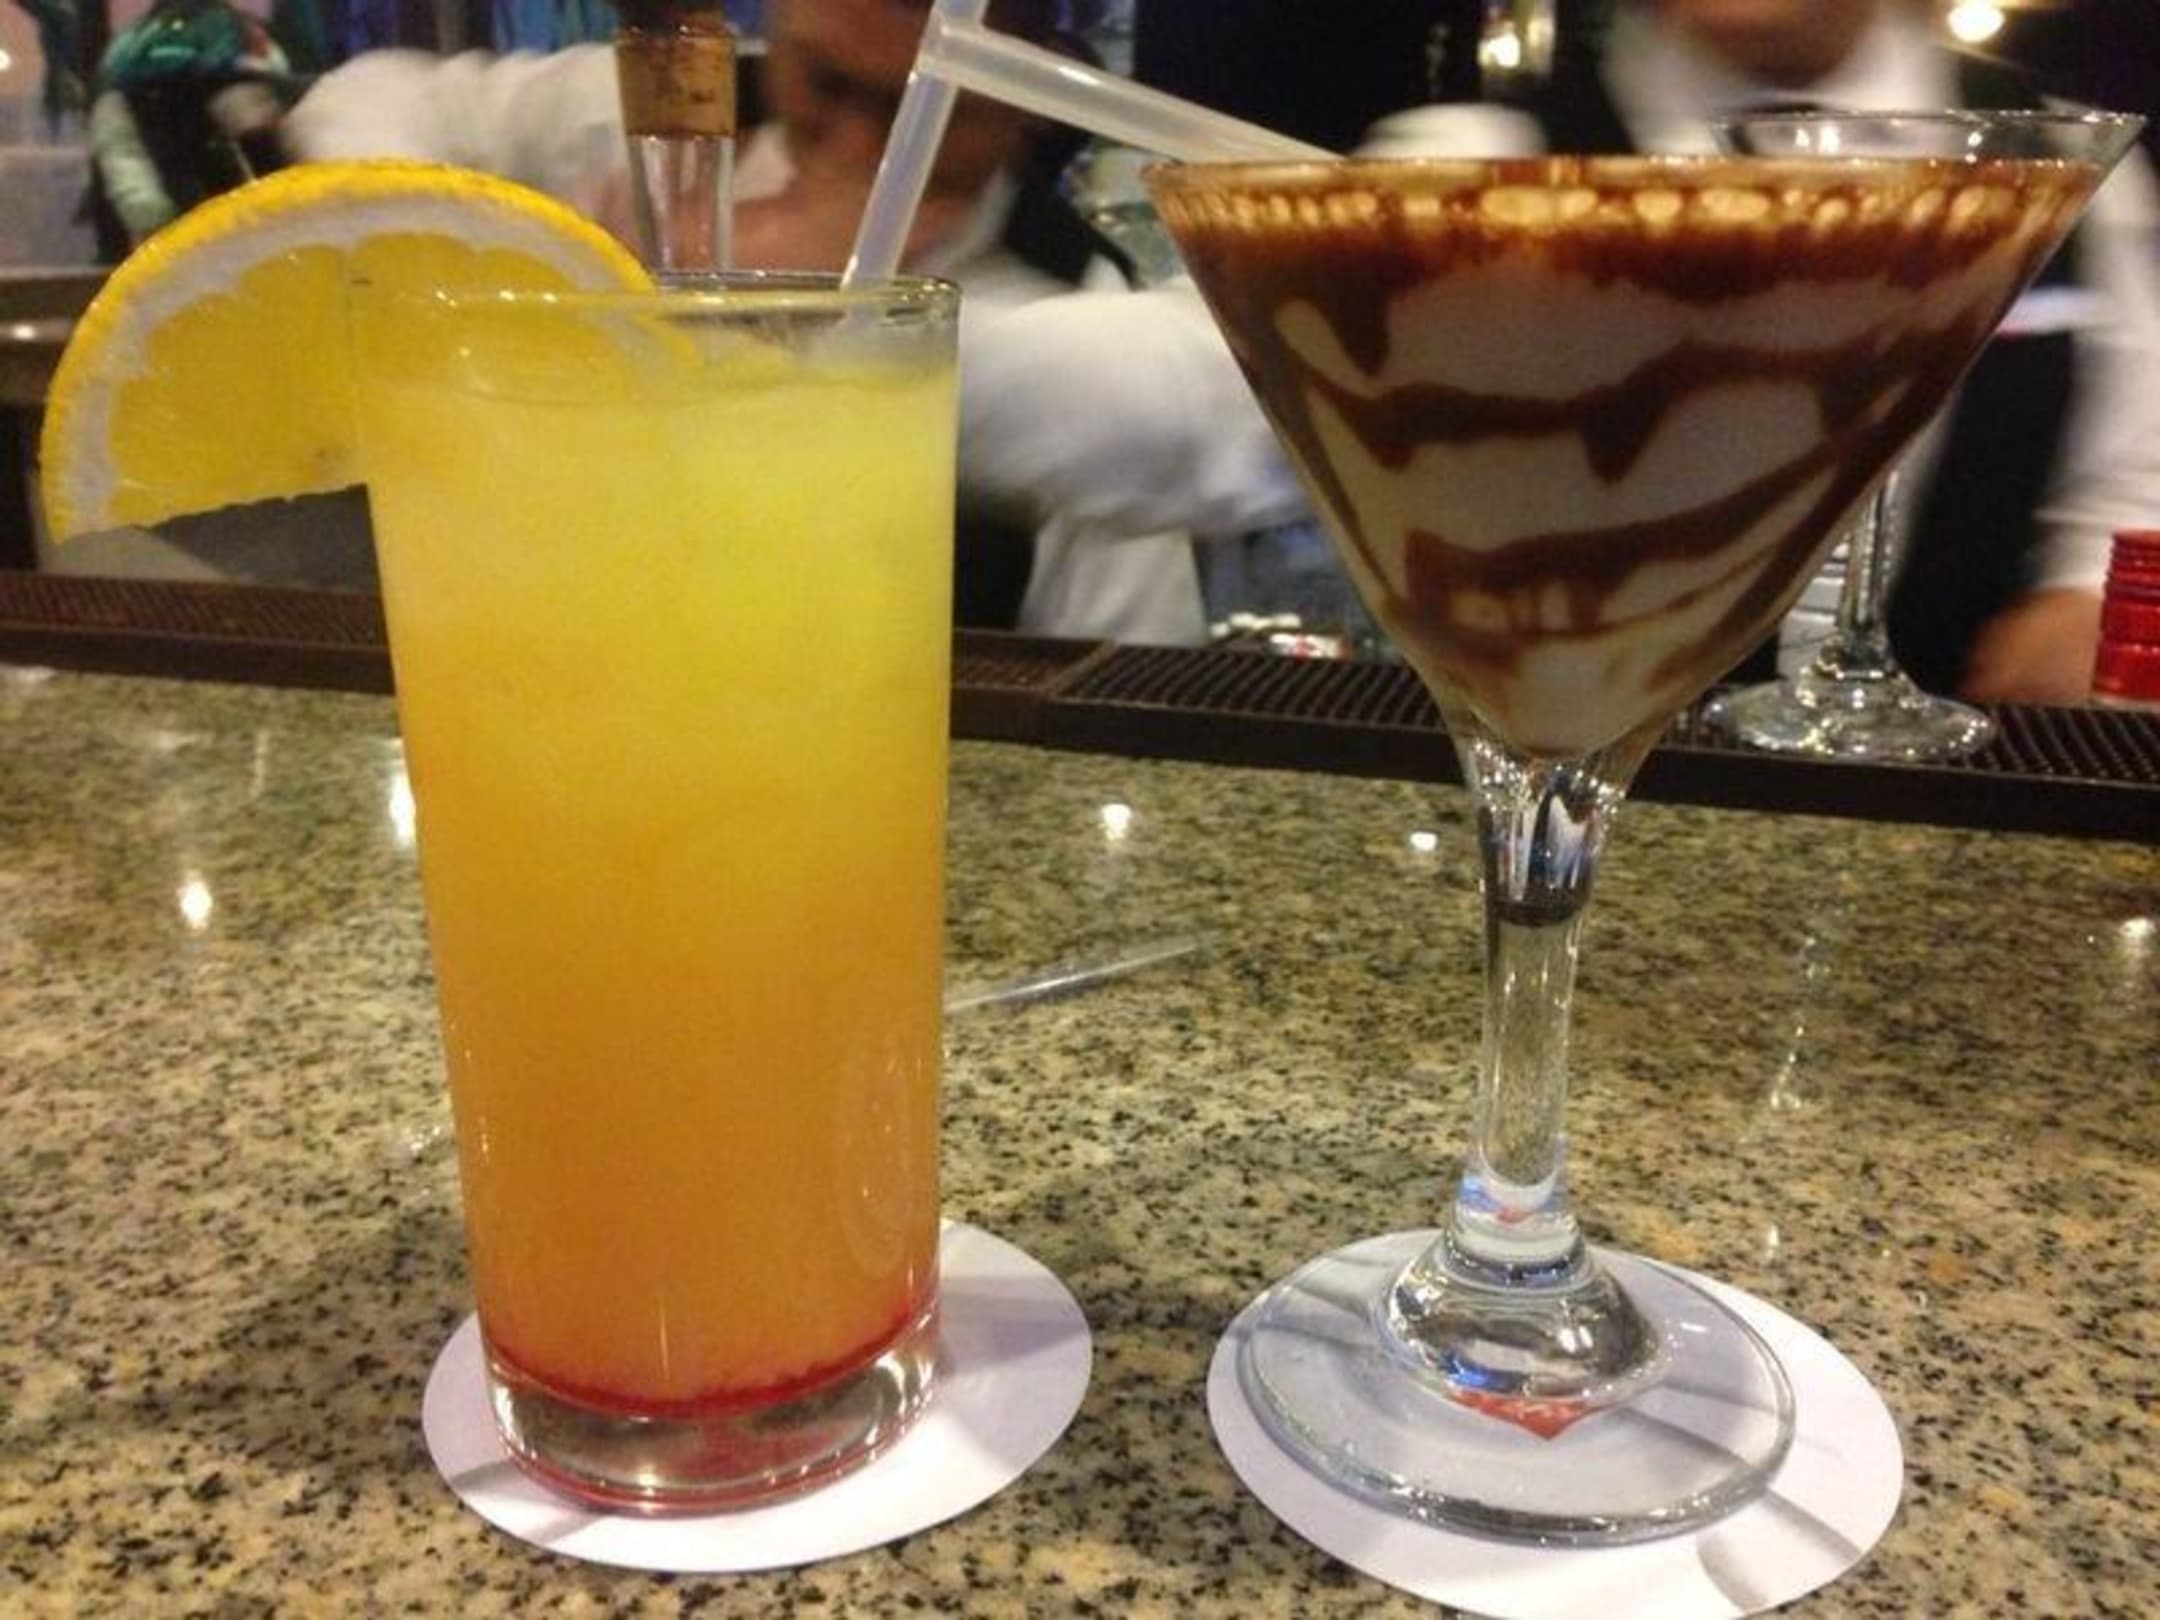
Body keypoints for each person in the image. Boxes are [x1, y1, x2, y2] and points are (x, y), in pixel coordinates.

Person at [959, 0, 2160, 703]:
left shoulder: (2071, 176)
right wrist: (910, 363)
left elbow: (2127, 496)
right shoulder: (1489, 154)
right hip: (1586, 844)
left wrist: (2086, 616)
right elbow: (1222, 390)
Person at [282, 0, 1207, 644]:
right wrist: (508, 268)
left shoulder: (1078, 304)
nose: (860, 146)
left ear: (1020, 96)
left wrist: (772, 330)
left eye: (909, 108)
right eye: (827, 84)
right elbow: (369, 97)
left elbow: (1132, 661)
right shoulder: (664, 119)